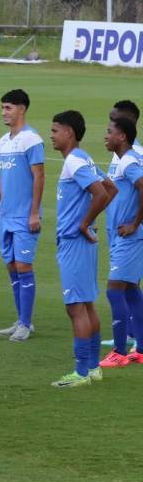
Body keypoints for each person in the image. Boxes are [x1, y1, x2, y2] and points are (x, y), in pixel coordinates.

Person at [49, 110, 113, 388]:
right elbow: (111, 187)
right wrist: (88, 224)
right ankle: (93, 368)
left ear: (69, 133)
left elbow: (101, 192)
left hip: (75, 242)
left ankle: (81, 372)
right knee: (86, 304)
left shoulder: (74, 160)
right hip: (82, 242)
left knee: (75, 308)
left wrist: (84, 223)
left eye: (55, 130)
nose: (51, 135)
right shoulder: (83, 157)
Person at [0, 89, 45, 342]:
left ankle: (26, 323)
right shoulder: (3, 141)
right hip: (6, 216)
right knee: (11, 266)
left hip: (25, 217)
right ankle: (21, 319)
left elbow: (39, 176)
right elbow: (2, 179)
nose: (4, 112)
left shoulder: (31, 139)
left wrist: (34, 212)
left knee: (24, 266)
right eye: (2, 107)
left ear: (21, 109)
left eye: (8, 108)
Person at [99, 115, 143, 368]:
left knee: (114, 290)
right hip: (122, 236)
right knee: (132, 291)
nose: (105, 136)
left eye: (109, 131)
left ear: (122, 136)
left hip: (130, 236)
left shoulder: (129, 162)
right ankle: (141, 350)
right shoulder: (120, 161)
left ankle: (118, 352)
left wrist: (135, 223)